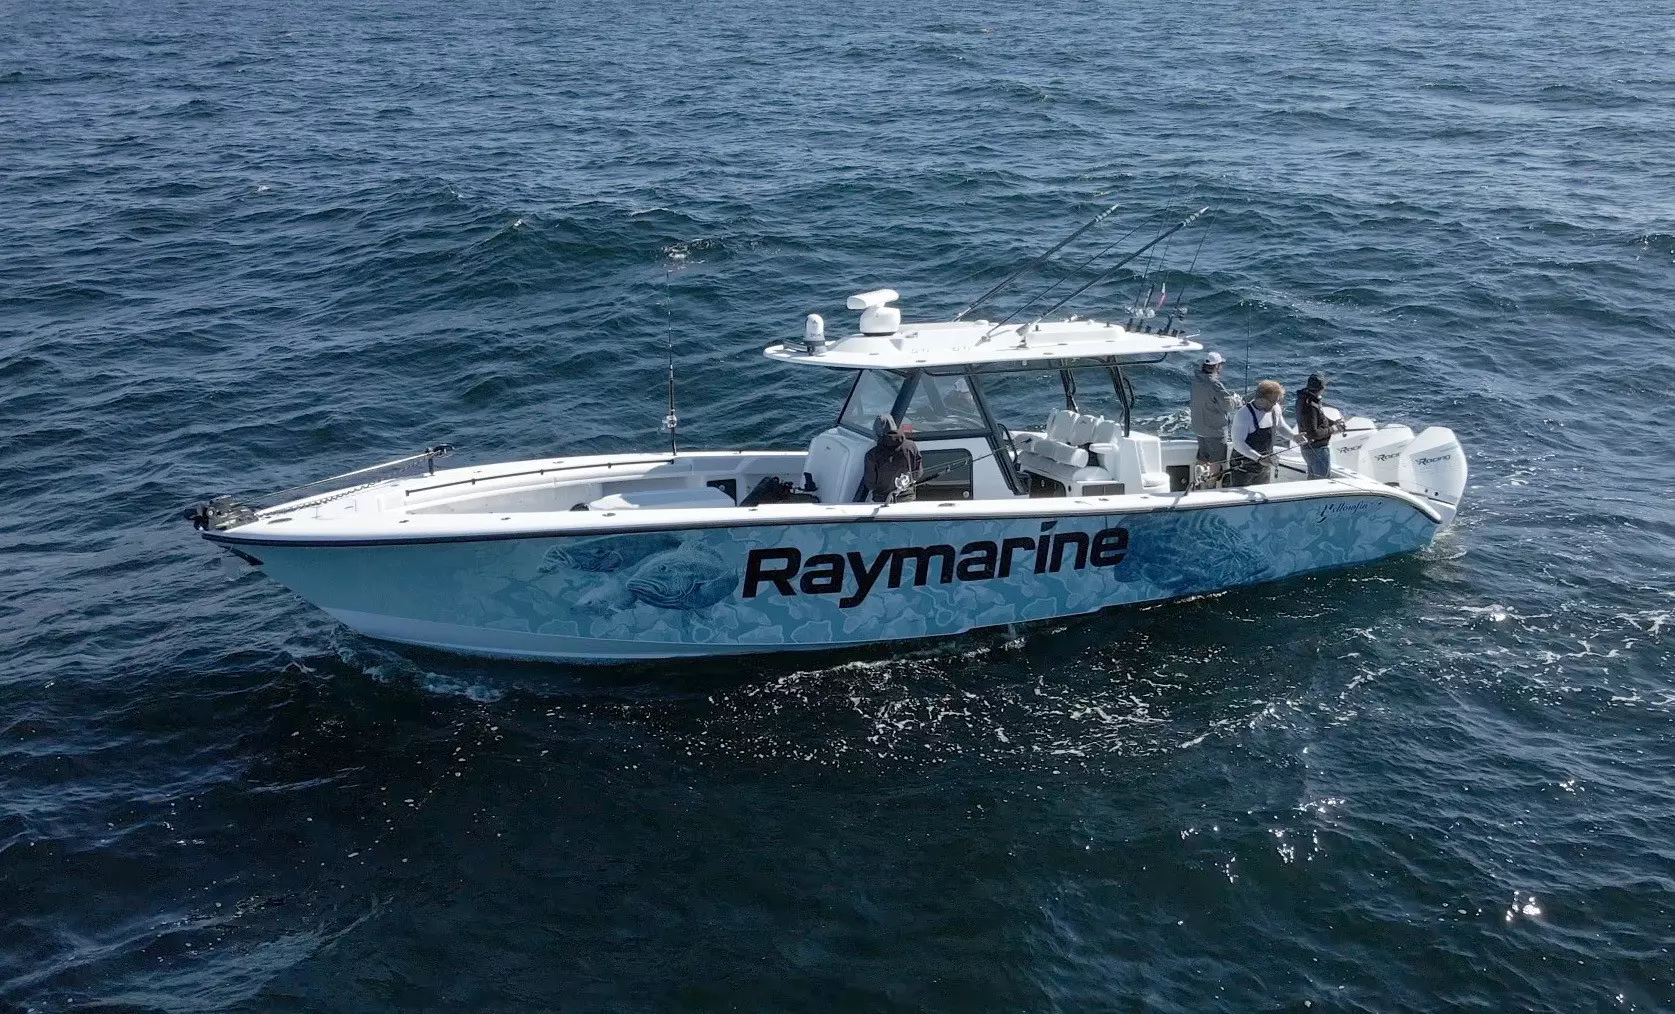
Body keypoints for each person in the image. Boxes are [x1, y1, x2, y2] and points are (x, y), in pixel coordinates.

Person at [1229, 379, 1298, 487]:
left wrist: (1293, 437)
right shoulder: (1243, 415)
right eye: (1273, 401)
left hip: (1265, 464)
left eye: (1277, 401)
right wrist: (1258, 458)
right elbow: (1238, 443)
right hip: (1244, 467)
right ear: (1261, 399)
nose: (1275, 404)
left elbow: (1280, 427)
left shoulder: (1275, 409)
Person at [1189, 352, 1240, 488]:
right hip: (1215, 430)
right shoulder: (1215, 384)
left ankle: (1199, 485)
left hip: (1199, 428)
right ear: (1217, 366)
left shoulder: (1196, 380)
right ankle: (1210, 488)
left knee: (1203, 457)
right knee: (1215, 462)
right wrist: (1236, 401)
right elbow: (1228, 406)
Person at [860, 413, 922, 503]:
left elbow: (871, 484)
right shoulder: (911, 446)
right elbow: (918, 473)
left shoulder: (872, 454)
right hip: (907, 498)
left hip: (882, 500)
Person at [1294, 373, 1345, 480]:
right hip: (1317, 449)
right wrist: (1334, 429)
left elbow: (1318, 420)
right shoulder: (1310, 405)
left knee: (1313, 479)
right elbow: (1314, 433)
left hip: (1309, 448)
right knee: (1322, 481)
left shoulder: (1305, 399)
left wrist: (1333, 423)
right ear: (1322, 388)